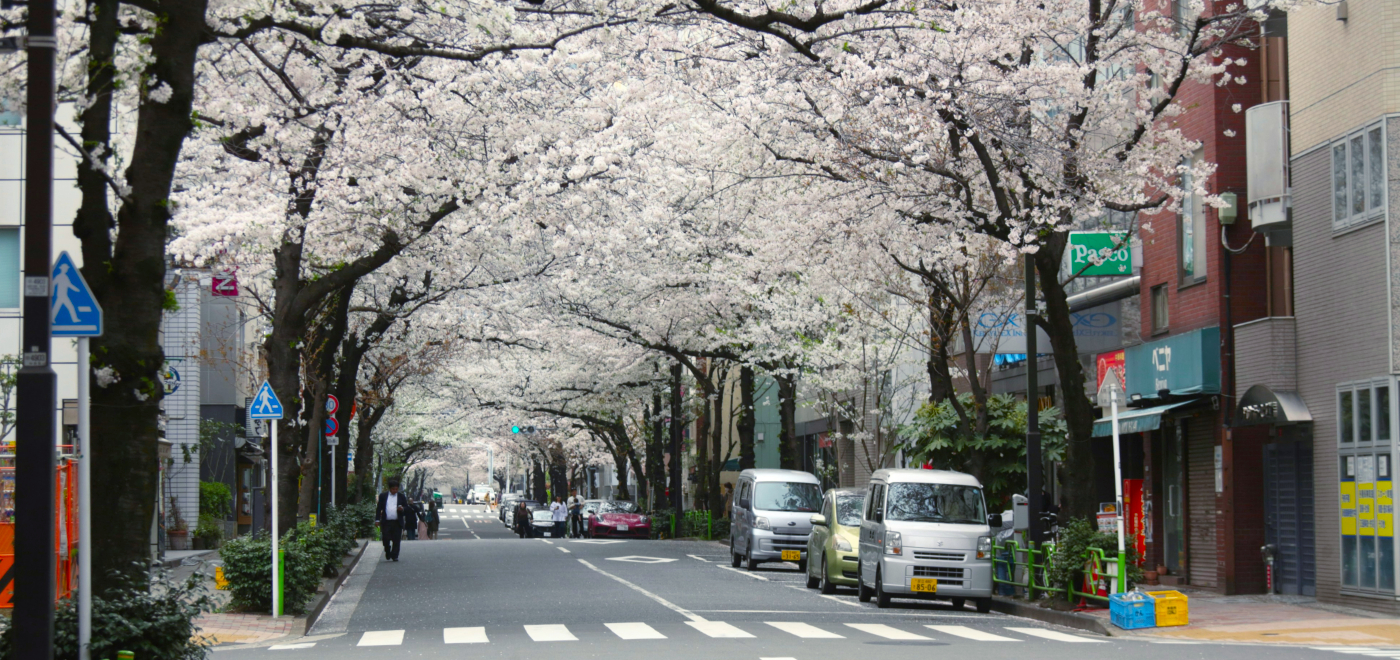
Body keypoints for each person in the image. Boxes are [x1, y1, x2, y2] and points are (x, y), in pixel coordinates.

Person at [375, 478, 407, 561]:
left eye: (396, 489)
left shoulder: (401, 496)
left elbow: (406, 507)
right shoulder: (383, 496)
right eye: (393, 489)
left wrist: (402, 509)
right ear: (390, 488)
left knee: (397, 539)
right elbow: (379, 508)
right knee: (385, 538)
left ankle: (395, 555)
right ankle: (387, 550)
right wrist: (377, 520)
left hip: (397, 521)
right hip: (386, 521)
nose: (395, 491)